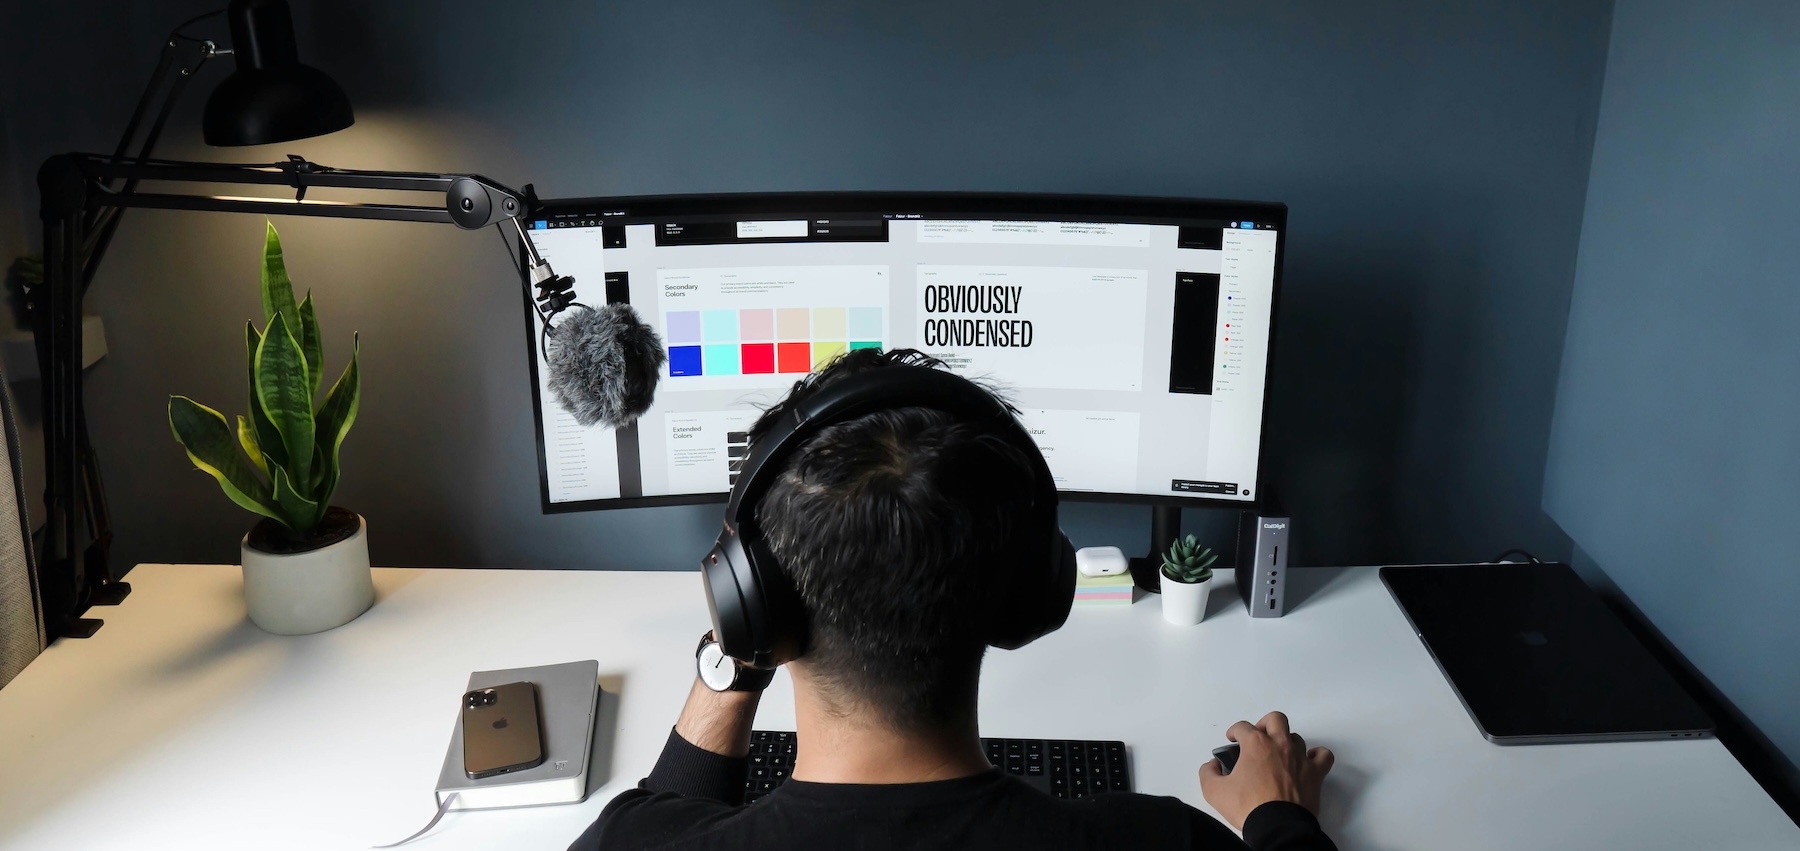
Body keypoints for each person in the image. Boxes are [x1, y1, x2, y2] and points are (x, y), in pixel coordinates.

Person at [570, 349, 1337, 851]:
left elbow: (663, 813)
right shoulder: (1159, 842)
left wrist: (735, 657)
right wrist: (1282, 818)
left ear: (750, 601)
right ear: (1032, 595)